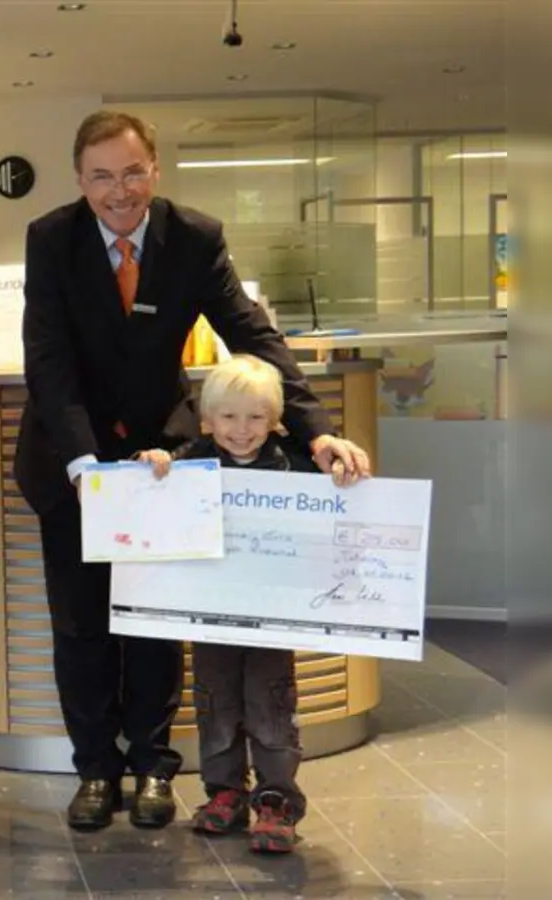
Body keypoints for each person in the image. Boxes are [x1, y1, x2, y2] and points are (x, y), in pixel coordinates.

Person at [18, 109, 372, 832]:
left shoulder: (195, 237)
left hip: (162, 466)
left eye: (133, 172)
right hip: (70, 462)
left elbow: (253, 335)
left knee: (154, 622)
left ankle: (152, 766)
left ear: (156, 168)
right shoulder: (51, 239)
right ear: (80, 179)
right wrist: (87, 463)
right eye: (101, 176)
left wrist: (319, 431)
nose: (119, 191)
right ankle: (95, 769)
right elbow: (48, 361)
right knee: (81, 625)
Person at [175, 355, 316, 853]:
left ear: (275, 420)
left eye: (256, 417)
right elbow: (152, 492)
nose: (242, 429)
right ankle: (225, 792)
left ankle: (276, 800)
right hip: (211, 613)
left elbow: (330, 518)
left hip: (271, 614)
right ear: (208, 421)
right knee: (215, 701)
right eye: (229, 417)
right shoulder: (188, 462)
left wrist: (345, 477)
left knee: (271, 700)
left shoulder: (295, 463)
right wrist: (150, 467)